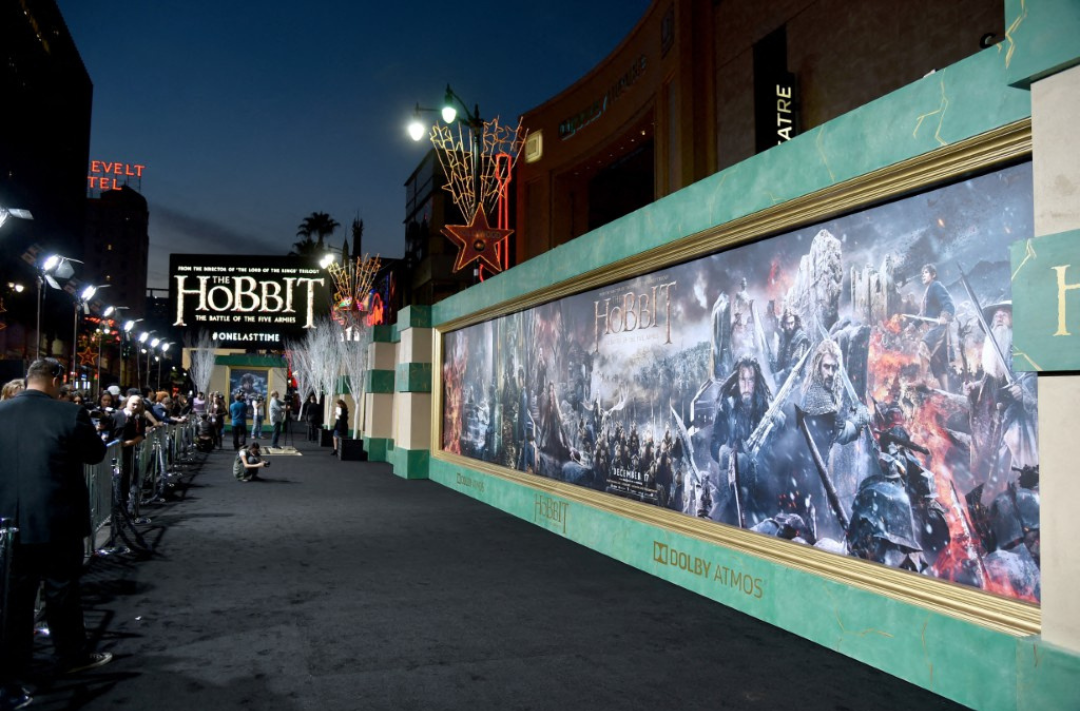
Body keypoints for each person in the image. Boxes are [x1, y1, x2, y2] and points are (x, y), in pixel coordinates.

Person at [0, 359, 111, 708]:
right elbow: (95, 454)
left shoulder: (1, 412)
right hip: (56, 521)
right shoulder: (68, 414)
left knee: (14, 600)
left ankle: (16, 669)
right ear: (56, 379)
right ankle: (70, 656)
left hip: (9, 523)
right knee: (61, 592)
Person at [918, 263, 955, 390]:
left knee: (924, 346)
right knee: (937, 361)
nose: (923, 275)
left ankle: (922, 380)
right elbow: (923, 314)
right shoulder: (928, 291)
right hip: (933, 327)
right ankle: (946, 391)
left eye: (926, 272)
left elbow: (949, 303)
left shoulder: (936, 286)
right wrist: (913, 325)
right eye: (922, 273)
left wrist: (945, 315)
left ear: (933, 274)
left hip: (938, 328)